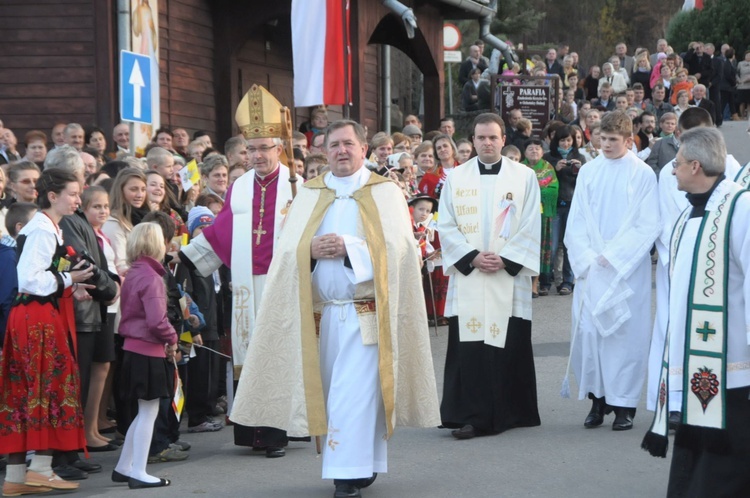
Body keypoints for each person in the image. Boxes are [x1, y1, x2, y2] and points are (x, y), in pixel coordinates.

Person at [230, 119, 440, 498]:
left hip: (366, 314)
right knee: (332, 394)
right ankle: (365, 464)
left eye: (348, 144)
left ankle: (345, 479)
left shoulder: (385, 193)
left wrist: (351, 249)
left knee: (353, 393)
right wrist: (306, 251)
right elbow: (285, 255)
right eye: (334, 145)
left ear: (363, 149)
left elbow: (401, 251)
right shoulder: (309, 194)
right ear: (324, 151)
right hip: (322, 315)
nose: (341, 151)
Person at [178, 84, 294, 457]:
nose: (257, 155)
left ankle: (278, 432)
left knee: (276, 354)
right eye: (252, 149)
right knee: (248, 352)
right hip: (244, 285)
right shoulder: (240, 187)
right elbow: (222, 229)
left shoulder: (298, 186)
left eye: (264, 148)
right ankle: (252, 433)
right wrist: (184, 256)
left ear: (279, 148)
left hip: (282, 284)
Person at [641, 128, 750, 497]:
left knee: (726, 467)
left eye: (678, 163)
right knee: (695, 462)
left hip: (734, 367)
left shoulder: (741, 207)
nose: (672, 171)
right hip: (697, 367)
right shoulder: (688, 214)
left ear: (696, 166)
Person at [438, 113, 542, 440]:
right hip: (470, 272)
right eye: (481, 138)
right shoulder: (456, 177)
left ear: (503, 139)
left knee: (507, 342)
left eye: (493, 138)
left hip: (506, 274)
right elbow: (446, 223)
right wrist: (471, 257)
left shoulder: (524, 176)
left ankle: (512, 411)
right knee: (470, 346)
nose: (487, 143)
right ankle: (469, 413)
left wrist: (506, 258)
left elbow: (530, 223)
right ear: (473, 140)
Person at [563, 110, 660, 431]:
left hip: (625, 269)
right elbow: (576, 219)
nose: (605, 144)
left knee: (624, 335)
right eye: (602, 138)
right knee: (590, 334)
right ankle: (597, 400)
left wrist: (615, 256)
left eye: (613, 140)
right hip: (591, 266)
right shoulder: (589, 172)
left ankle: (624, 405)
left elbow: (648, 223)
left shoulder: (642, 174)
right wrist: (587, 256)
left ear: (629, 141)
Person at [0, 168, 94, 496]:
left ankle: (16, 475)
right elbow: (28, 279)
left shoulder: (48, 227)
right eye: (72, 193)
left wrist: (69, 284)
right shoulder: (42, 228)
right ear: (52, 196)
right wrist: (71, 280)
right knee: (46, 388)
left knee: (27, 390)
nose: (78, 199)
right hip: (35, 317)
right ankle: (39, 469)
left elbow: (43, 273)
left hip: (32, 315)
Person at [112, 222, 176, 490]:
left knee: (143, 411)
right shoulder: (151, 277)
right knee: (148, 411)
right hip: (147, 350)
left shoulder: (135, 272)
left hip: (132, 349)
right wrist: (173, 338)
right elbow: (156, 321)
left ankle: (124, 466)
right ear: (157, 245)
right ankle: (138, 470)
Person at [523, 138, 558, 297]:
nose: (534, 151)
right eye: (530, 149)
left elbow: (553, 189)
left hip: (543, 216)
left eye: (537, 149)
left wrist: (535, 193)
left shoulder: (548, 168)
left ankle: (536, 283)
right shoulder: (519, 168)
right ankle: (523, 283)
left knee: (540, 249)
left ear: (542, 152)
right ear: (525, 152)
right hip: (523, 217)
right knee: (525, 248)